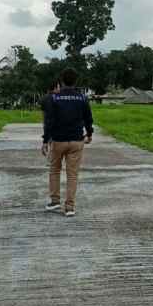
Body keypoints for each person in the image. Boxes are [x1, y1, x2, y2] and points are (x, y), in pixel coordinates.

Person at [41, 68, 93, 217]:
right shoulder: (83, 98)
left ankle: (55, 201)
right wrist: (89, 134)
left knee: (54, 170)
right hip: (77, 141)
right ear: (75, 81)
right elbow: (88, 119)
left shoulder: (54, 98)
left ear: (61, 81)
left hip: (58, 141)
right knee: (72, 174)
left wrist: (45, 140)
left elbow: (49, 121)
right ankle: (69, 207)